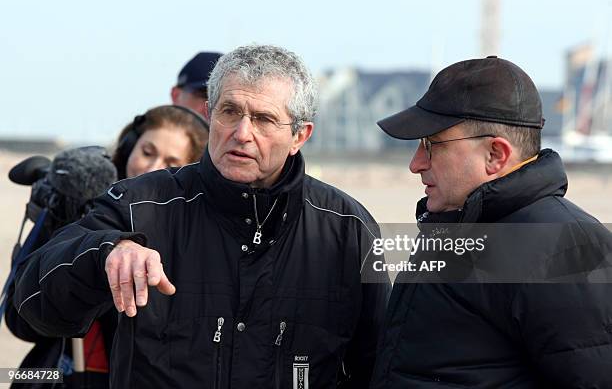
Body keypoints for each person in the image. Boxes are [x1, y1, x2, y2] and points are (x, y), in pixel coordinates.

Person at [14, 45, 391, 388]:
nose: (242, 133)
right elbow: (32, 304)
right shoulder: (138, 206)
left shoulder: (348, 229)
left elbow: (379, 367)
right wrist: (105, 251)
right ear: (210, 115)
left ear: (300, 136)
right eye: (230, 112)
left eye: (263, 119)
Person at [369, 56, 612, 388]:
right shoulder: (454, 225)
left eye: (431, 144)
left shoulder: (568, 251)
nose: (416, 164)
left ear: (496, 155)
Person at [6, 105, 209, 388]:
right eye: (147, 152)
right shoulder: (81, 206)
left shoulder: (190, 237)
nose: (151, 168)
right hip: (52, 375)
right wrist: (61, 223)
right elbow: (20, 324)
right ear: (129, 146)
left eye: (170, 163)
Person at [170, 51, 223, 120]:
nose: (213, 107)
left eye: (221, 97)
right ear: (176, 96)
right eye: (204, 95)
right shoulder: (154, 129)